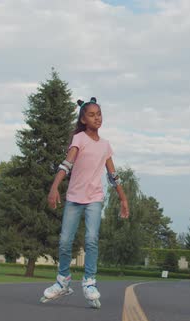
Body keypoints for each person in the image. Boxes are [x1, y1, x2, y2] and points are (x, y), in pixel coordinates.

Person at [41, 97, 129, 308]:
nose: (97, 118)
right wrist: (54, 187)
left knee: (91, 239)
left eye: (99, 114)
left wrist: (123, 198)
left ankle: (89, 283)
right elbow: (66, 164)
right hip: (73, 198)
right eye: (91, 114)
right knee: (65, 241)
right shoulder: (79, 139)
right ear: (83, 119)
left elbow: (113, 175)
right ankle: (63, 281)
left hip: (94, 199)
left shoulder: (106, 145)